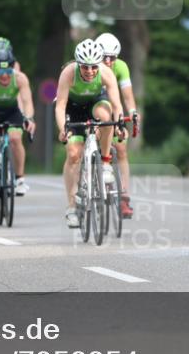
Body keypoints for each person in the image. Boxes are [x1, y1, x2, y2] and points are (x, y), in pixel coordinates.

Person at [54, 39, 125, 228]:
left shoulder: (106, 73)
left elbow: (117, 105)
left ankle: (105, 162)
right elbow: (60, 105)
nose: (90, 71)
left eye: (94, 67)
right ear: (79, 64)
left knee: (106, 116)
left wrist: (120, 125)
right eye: (85, 67)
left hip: (95, 103)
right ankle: (71, 207)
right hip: (73, 108)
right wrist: (63, 129)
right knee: (73, 154)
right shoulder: (68, 73)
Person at [0, 48, 36, 204]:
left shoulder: (20, 79)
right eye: (0, 71)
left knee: (16, 138)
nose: (4, 75)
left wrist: (29, 118)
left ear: (13, 68)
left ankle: (20, 179)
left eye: (8, 70)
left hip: (11, 112)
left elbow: (27, 102)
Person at [95, 32, 139, 219]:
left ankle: (124, 198)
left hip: (113, 108)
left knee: (121, 149)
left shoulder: (121, 67)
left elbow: (127, 96)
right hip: (94, 108)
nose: (108, 61)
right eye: (104, 57)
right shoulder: (91, 67)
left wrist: (133, 113)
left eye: (112, 57)